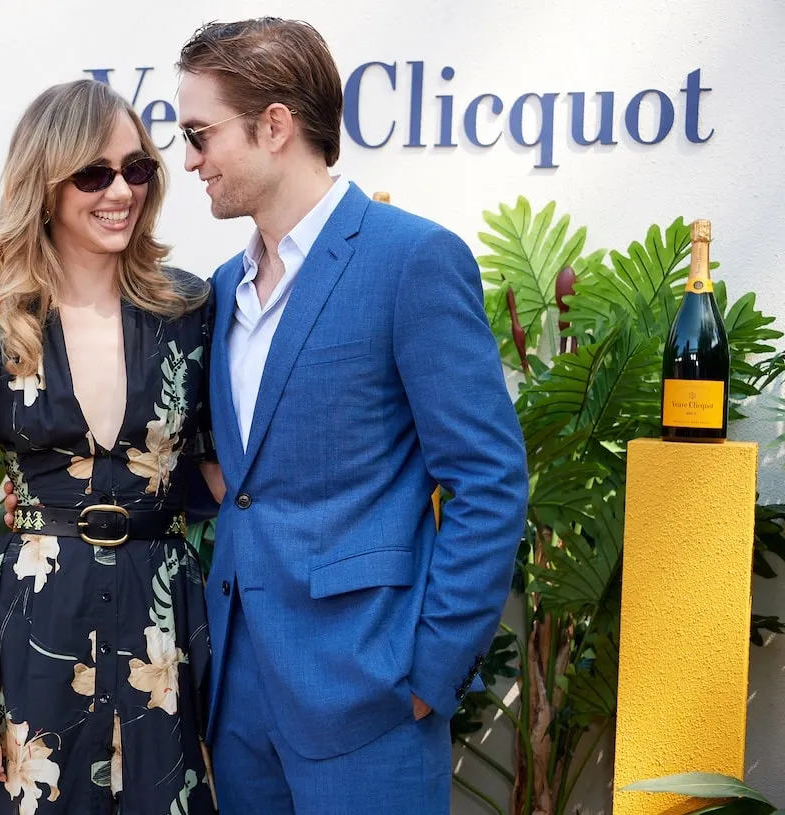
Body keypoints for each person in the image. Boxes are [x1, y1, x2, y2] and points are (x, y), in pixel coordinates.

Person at [174, 17, 529, 813]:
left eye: (200, 134)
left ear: (274, 126)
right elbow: (241, 478)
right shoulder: (220, 290)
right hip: (238, 702)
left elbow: (489, 481)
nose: (189, 159)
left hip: (371, 697)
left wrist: (428, 677)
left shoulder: (412, 261)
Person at [0, 78, 221, 815]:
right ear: (45, 184)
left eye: (137, 169)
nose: (121, 191)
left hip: (161, 623)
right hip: (37, 620)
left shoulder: (191, 311)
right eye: (94, 173)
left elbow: (227, 476)